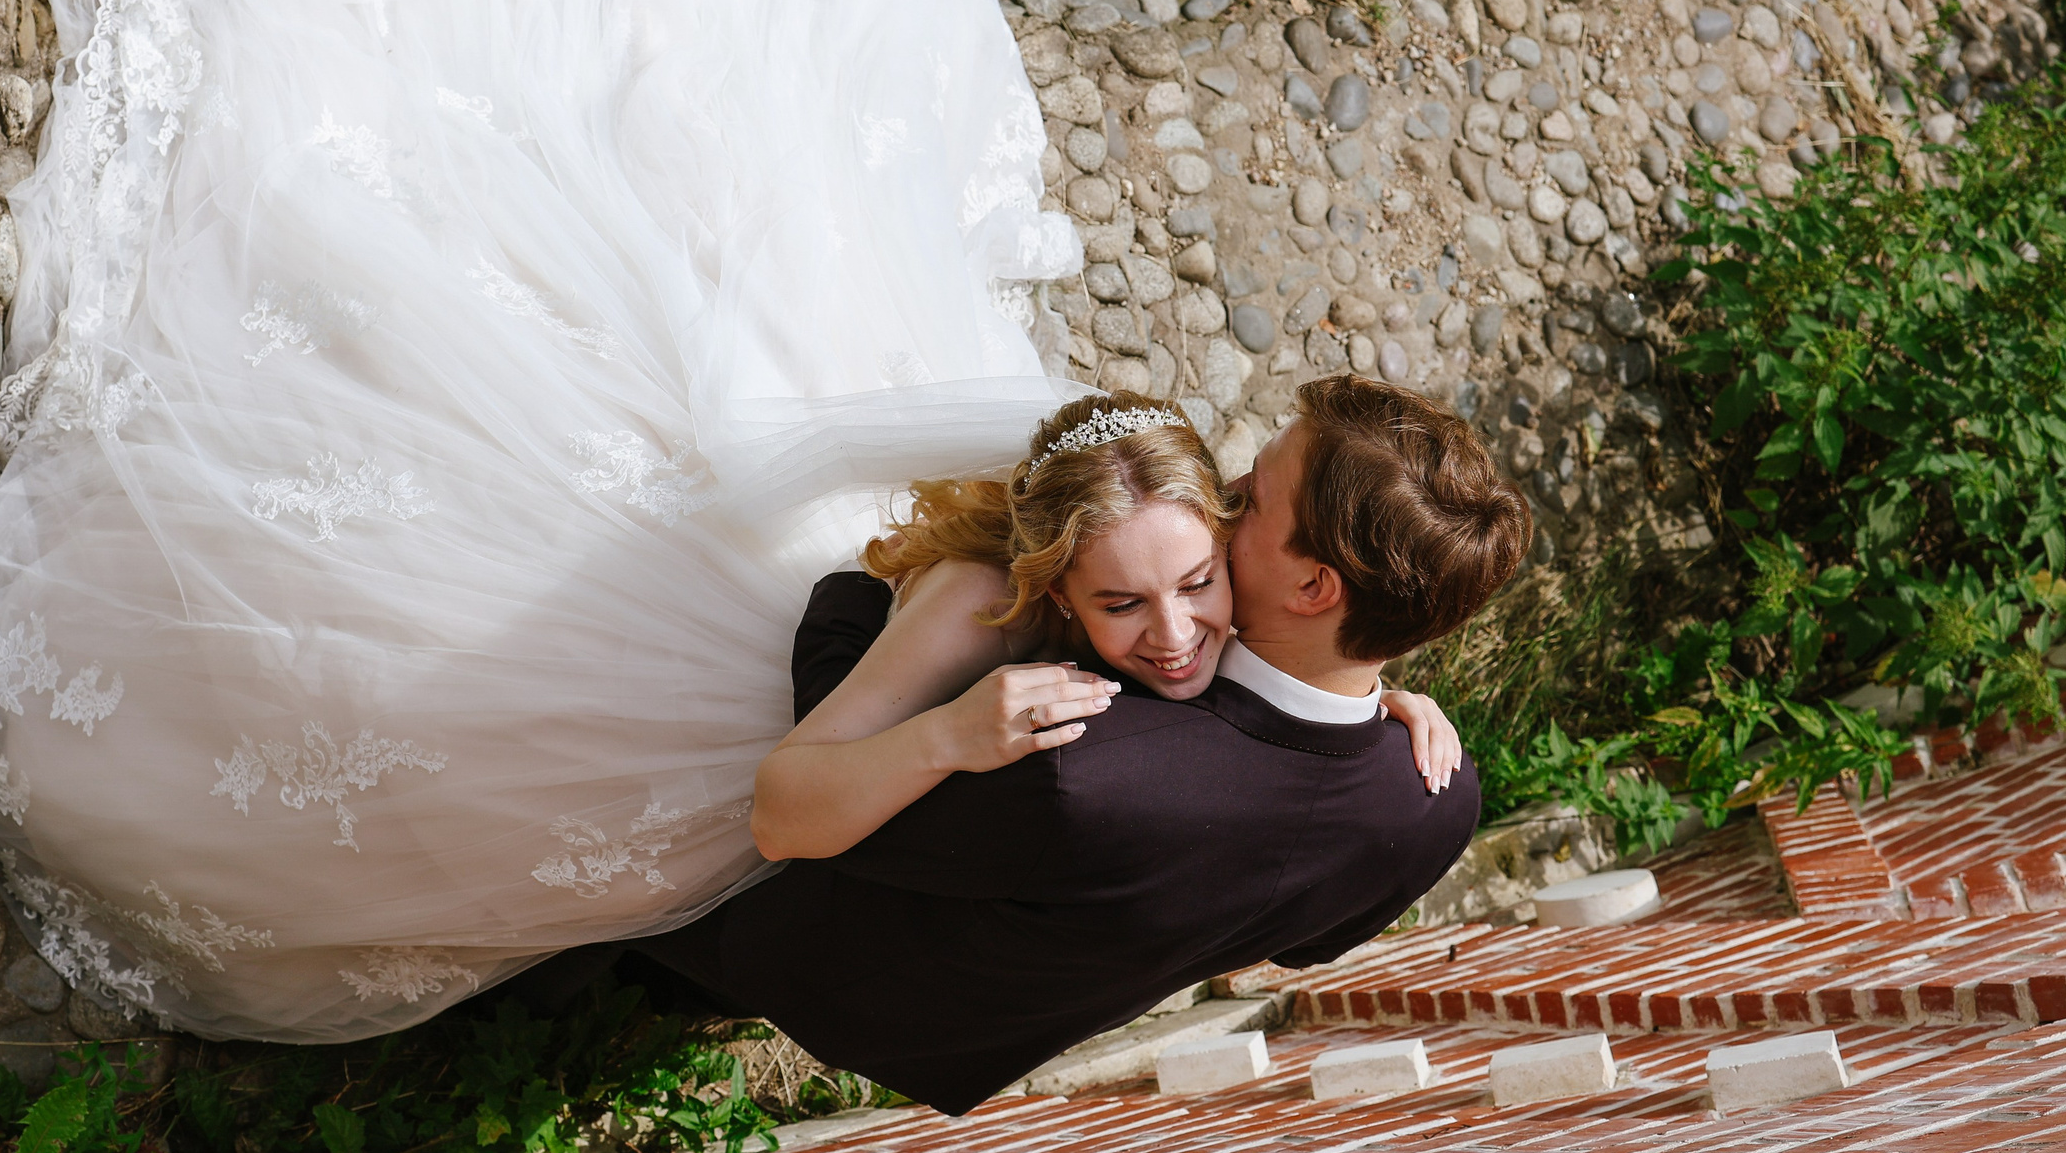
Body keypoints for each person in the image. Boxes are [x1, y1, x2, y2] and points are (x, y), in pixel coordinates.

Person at [0, 0, 1085, 1040]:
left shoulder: (1154, 645)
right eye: (1178, 592)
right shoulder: (1042, 553)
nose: (1179, 627)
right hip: (836, 557)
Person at [633, 374, 1530, 1113]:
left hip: (805, 957)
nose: (1226, 493)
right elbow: (1300, 943)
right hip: (977, 1031)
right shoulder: (1438, 801)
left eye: (1251, 497)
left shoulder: (1080, 764)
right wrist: (1374, 700)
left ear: (1313, 586)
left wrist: (882, 640)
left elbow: (806, 825)